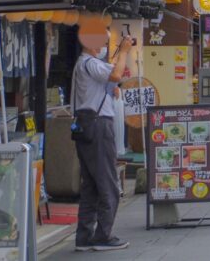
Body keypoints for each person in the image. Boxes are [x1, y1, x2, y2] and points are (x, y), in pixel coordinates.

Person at [72, 18, 132, 251]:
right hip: (98, 126)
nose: (105, 45)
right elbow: (116, 75)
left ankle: (84, 237)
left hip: (86, 126)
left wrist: (112, 86)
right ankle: (103, 235)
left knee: (91, 185)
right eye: (103, 41)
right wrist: (125, 50)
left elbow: (107, 83)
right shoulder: (89, 63)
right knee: (108, 182)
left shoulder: (85, 65)